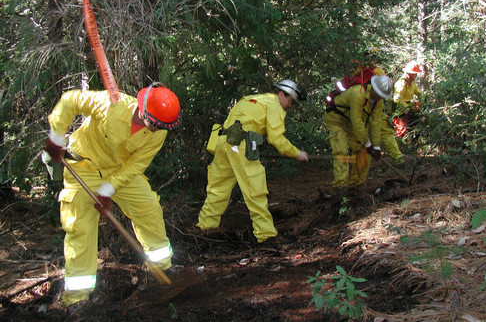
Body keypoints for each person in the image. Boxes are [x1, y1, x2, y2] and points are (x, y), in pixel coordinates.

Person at [43, 82, 182, 307]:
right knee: (81, 227)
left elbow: (137, 164)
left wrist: (108, 189)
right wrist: (56, 138)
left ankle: (163, 268)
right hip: (83, 167)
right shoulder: (110, 104)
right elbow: (70, 100)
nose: (156, 130)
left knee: (149, 209)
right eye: (154, 124)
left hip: (119, 171)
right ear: (142, 109)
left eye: (161, 127)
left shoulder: (159, 132)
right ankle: (78, 300)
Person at [196, 79, 309, 244]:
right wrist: (296, 153)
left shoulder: (252, 98)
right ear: (281, 94)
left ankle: (204, 228)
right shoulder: (274, 105)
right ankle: (266, 236)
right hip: (240, 146)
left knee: (217, 190)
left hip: (223, 143)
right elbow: (276, 138)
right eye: (290, 101)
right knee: (255, 190)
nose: (290, 106)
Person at [324, 75, 393, 188]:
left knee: (364, 152)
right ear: (374, 89)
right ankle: (340, 186)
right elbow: (357, 121)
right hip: (336, 120)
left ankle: (356, 185)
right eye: (379, 95)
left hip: (351, 124)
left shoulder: (378, 102)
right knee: (342, 151)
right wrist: (366, 142)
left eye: (383, 96)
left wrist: (376, 147)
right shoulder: (358, 93)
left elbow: (375, 123)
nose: (380, 98)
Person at [364, 48, 404, 162]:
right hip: (375, 108)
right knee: (386, 132)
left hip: (360, 108)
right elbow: (385, 92)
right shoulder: (378, 72)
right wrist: (389, 111)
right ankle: (397, 158)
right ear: (375, 59)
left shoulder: (357, 70)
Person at [393, 60, 423, 138]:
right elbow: (397, 99)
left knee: (416, 123)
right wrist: (407, 107)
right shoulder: (401, 83)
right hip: (400, 109)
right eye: (415, 73)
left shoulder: (413, 83)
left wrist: (424, 100)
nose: (416, 75)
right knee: (403, 129)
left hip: (409, 106)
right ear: (411, 73)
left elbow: (419, 93)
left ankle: (414, 141)